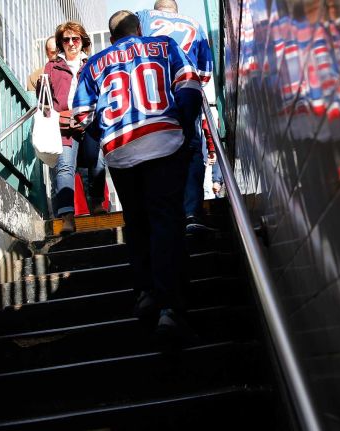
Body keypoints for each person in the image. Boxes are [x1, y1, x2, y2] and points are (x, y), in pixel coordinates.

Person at [71, 10, 203, 340]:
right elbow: (189, 85)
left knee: (137, 222)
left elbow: (80, 116)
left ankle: (145, 291)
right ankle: (169, 307)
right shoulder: (164, 45)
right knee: (165, 221)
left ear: (112, 37)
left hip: (121, 150)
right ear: (139, 30)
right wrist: (184, 128)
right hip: (162, 138)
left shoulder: (95, 63)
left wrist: (104, 134)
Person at [137, 0, 216, 234]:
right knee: (192, 150)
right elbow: (206, 71)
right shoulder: (195, 24)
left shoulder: (142, 16)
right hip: (186, 89)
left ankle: (163, 217)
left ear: (156, 8)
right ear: (175, 10)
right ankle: (192, 212)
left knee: (154, 151)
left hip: (154, 93)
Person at [37, 21, 106, 233]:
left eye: (75, 39)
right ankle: (67, 217)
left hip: (90, 122)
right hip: (64, 125)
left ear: (82, 41)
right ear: (60, 43)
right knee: (64, 168)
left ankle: (96, 205)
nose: (71, 43)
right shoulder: (51, 67)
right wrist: (58, 116)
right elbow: (43, 102)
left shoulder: (93, 63)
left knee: (97, 163)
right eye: (66, 40)